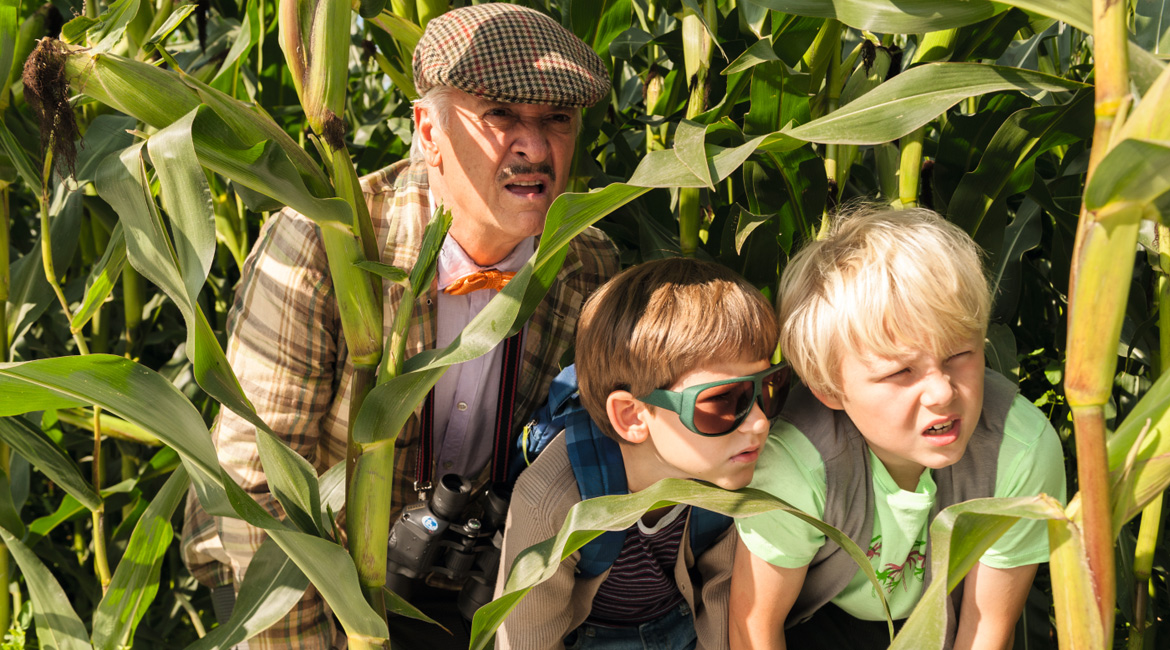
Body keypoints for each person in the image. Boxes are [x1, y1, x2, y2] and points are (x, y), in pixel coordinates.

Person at [179, 4, 619, 649]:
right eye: (499, 114)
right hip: (290, 585)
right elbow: (253, 495)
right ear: (428, 131)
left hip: (456, 597)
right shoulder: (322, 243)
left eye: (557, 120)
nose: (535, 146)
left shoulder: (586, 264)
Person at [729, 207, 1067, 650]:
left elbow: (985, 632)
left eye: (958, 355)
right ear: (829, 389)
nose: (942, 393)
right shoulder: (795, 465)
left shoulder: (1020, 451)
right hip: (814, 620)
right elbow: (754, 627)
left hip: (937, 618)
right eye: (901, 372)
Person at [495, 257, 788, 650]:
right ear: (633, 415)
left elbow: (724, 602)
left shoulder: (728, 466)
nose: (758, 423)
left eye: (768, 387)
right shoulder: (552, 503)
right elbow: (528, 638)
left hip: (682, 622)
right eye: (724, 401)